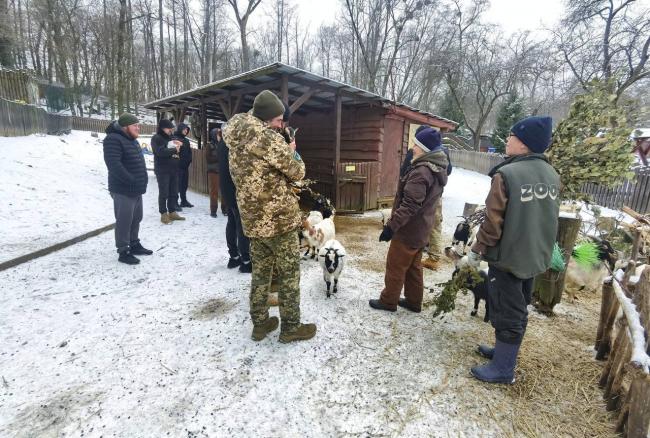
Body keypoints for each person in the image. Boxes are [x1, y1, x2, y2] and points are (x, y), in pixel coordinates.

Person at [467, 116, 560, 384]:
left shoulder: (507, 174)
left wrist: (477, 250)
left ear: (524, 144)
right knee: (518, 306)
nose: (507, 140)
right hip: (533, 255)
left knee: (508, 310)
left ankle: (503, 369)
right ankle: (503, 354)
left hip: (508, 257)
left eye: (511, 136)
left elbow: (493, 223)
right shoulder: (551, 174)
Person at [223, 90, 316, 343]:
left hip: (253, 221)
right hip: (279, 221)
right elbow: (297, 172)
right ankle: (291, 328)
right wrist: (292, 151)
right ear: (265, 118)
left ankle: (260, 324)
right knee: (289, 276)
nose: (280, 125)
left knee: (260, 275)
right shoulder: (268, 139)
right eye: (277, 120)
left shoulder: (235, 135)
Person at [369, 127, 449, 313]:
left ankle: (388, 301)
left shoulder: (421, 172)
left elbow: (410, 206)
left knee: (396, 266)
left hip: (408, 230)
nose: (412, 148)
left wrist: (391, 227)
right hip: (422, 230)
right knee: (414, 268)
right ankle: (414, 301)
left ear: (424, 149)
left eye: (416, 145)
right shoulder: (435, 168)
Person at [102, 113, 152, 265]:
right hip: (123, 189)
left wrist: (142, 179)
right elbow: (114, 165)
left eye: (138, 125)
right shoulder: (113, 139)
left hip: (136, 188)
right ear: (125, 127)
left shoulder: (132, 140)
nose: (138, 128)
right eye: (135, 125)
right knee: (124, 220)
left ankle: (134, 243)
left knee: (136, 218)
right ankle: (123, 251)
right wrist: (131, 179)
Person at [216, 124, 252, 273]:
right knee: (241, 226)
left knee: (231, 223)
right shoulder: (234, 145)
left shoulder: (223, 143)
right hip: (235, 190)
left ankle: (234, 257)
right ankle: (245, 261)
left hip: (226, 190)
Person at [151, 119, 185, 224]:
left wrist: (179, 144)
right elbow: (160, 152)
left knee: (173, 192)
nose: (171, 130)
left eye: (171, 128)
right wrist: (175, 150)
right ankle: (163, 213)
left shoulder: (171, 138)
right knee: (164, 192)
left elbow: (178, 149)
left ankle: (172, 211)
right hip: (162, 170)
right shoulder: (156, 138)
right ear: (162, 128)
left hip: (174, 169)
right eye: (168, 128)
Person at [174, 123, 193, 208]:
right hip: (177, 167)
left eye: (187, 129)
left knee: (184, 185)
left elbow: (189, 152)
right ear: (180, 129)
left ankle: (184, 201)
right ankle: (175, 202)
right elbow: (174, 153)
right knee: (177, 185)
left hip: (185, 167)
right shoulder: (175, 139)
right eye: (184, 129)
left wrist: (189, 160)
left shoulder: (186, 140)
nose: (186, 131)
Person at [206, 127, 220, 217]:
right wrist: (219, 157)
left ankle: (225, 209)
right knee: (214, 192)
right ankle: (213, 210)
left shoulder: (223, 144)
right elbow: (208, 159)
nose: (220, 136)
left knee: (224, 191)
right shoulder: (209, 145)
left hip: (221, 170)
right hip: (213, 171)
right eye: (218, 134)